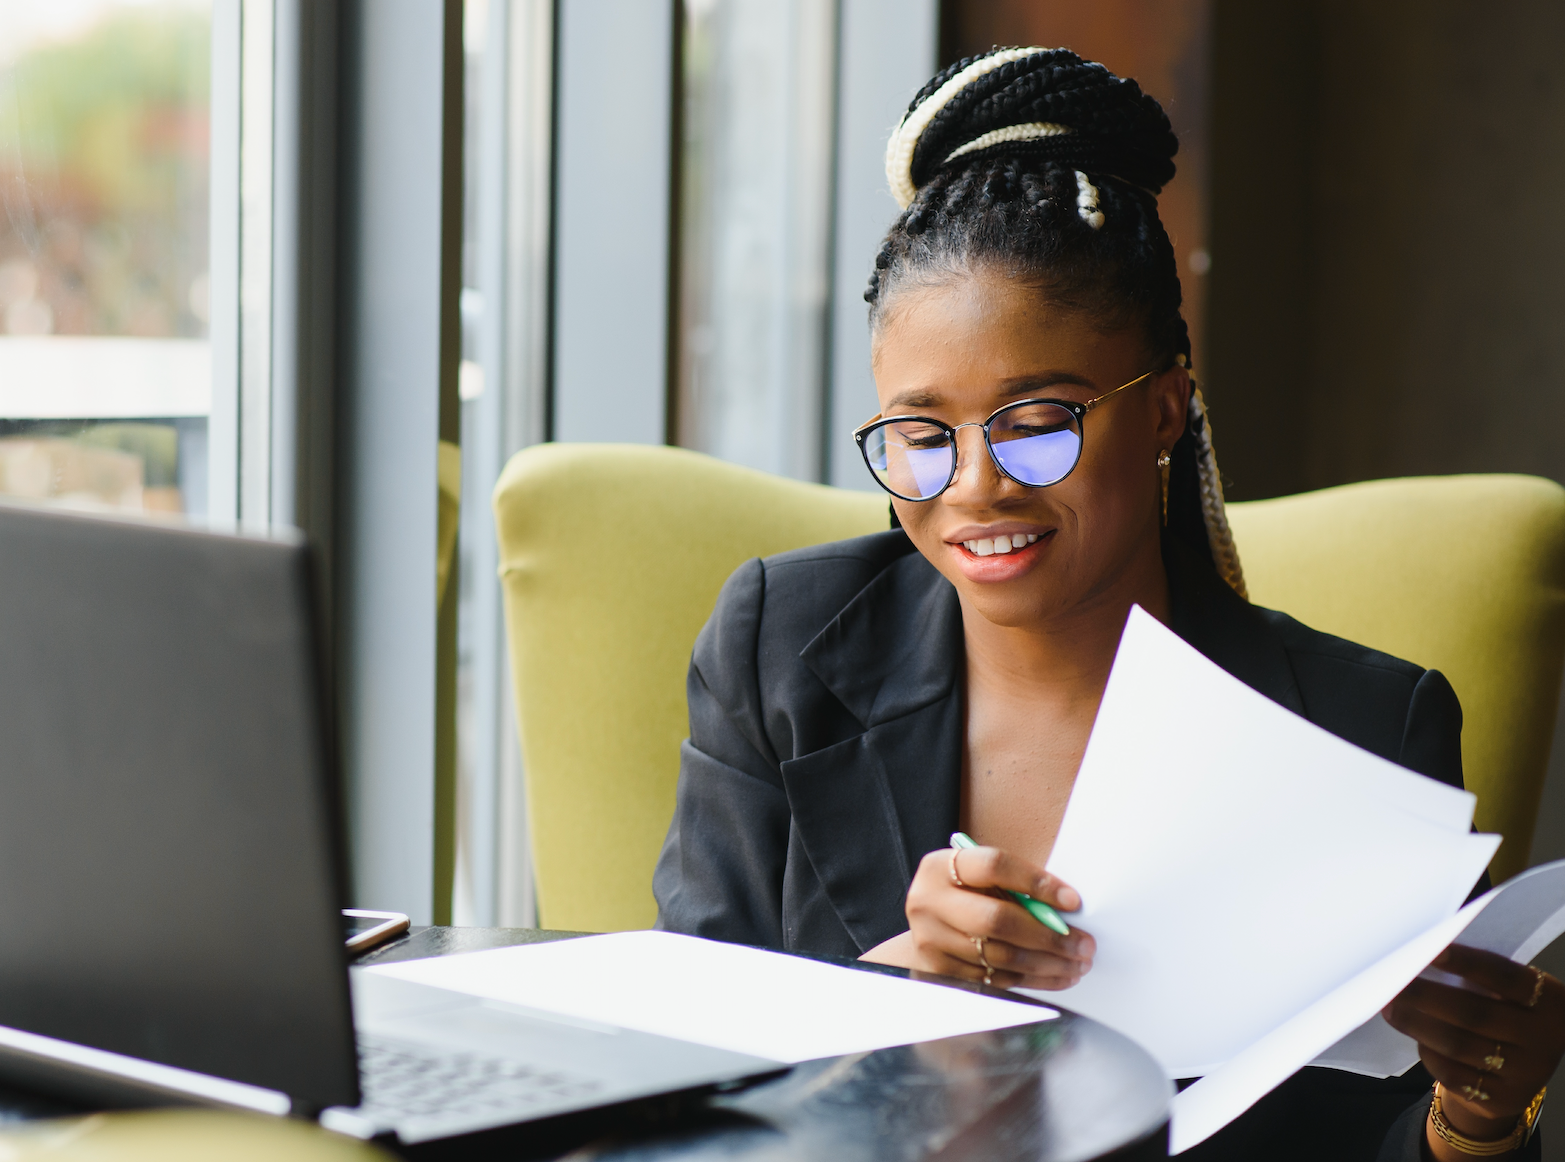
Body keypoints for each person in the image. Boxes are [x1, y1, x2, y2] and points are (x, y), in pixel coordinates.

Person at [651, 47, 1565, 1162]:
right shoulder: (780, 646)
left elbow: (1366, 1134)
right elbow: (678, 1061)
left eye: (1037, 419)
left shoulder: (1359, 726)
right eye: (922, 435)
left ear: (1168, 407)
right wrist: (896, 989)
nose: (978, 483)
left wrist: (1479, 1114)